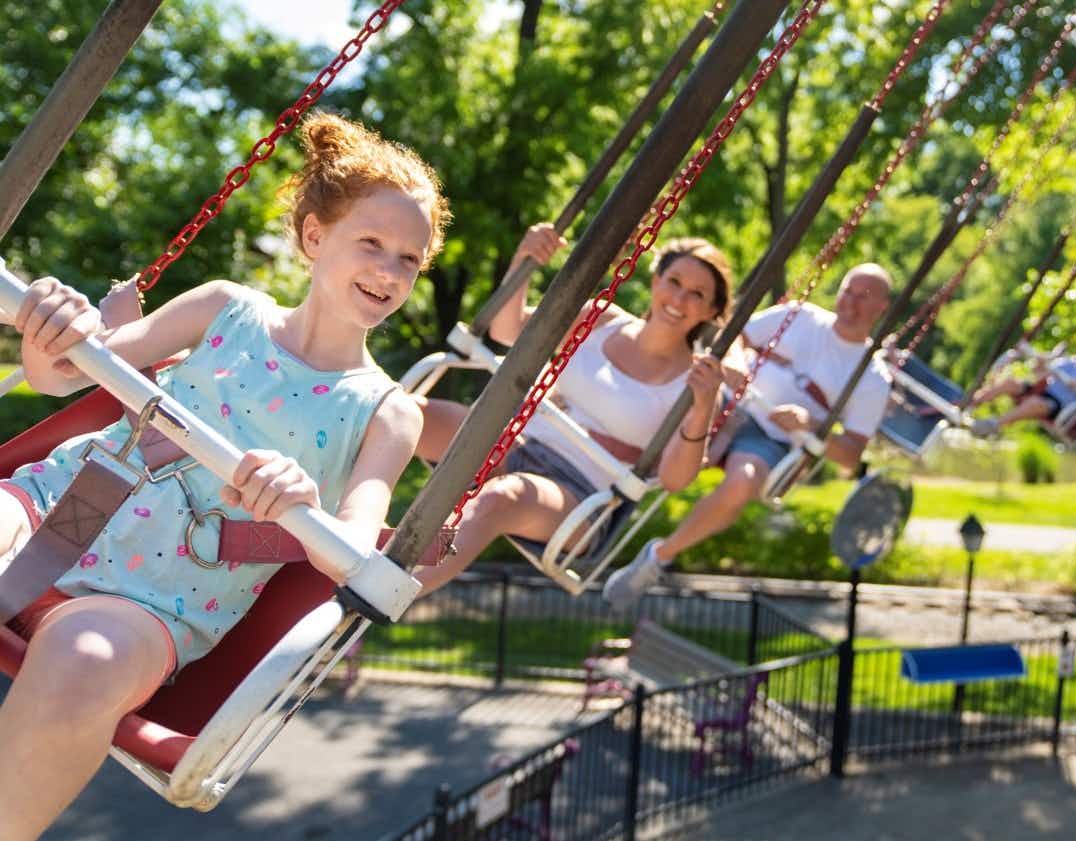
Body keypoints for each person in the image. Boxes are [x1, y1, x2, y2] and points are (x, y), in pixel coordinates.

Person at [0, 112, 450, 841]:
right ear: (313, 237)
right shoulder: (224, 308)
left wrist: (304, 502)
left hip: (160, 598)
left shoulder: (385, 412)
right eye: (373, 243)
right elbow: (66, 375)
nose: (390, 271)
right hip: (60, 503)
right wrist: (52, 330)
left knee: (83, 662)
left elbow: (353, 553)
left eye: (410, 258)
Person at [411, 227, 735, 595]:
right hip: (516, 443)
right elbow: (508, 330)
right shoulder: (600, 319)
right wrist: (525, 260)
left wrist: (704, 405)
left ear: (711, 311)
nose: (679, 298)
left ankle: (393, 589)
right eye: (674, 281)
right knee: (405, 415)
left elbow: (676, 479)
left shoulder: (695, 384)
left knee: (501, 498)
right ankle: (345, 517)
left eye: (697, 295)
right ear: (656, 280)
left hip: (577, 494)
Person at [603, 263, 894, 610]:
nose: (850, 303)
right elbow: (737, 335)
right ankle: (596, 487)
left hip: (770, 439)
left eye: (863, 296)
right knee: (658, 412)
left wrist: (809, 427)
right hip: (728, 400)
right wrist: (737, 365)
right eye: (848, 290)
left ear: (881, 308)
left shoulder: (872, 377)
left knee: (742, 482)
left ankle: (658, 556)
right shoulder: (798, 317)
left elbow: (850, 454)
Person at [970, 331, 1076, 437]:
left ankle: (993, 424)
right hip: (1042, 391)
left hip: (1056, 406)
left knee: (1035, 402)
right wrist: (1040, 364)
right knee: (1010, 383)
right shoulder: (1066, 363)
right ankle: (970, 404)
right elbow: (1039, 374)